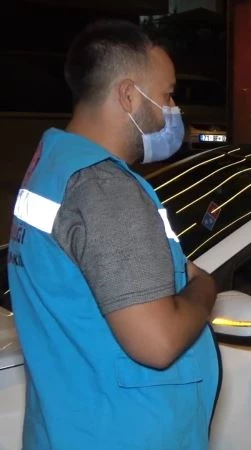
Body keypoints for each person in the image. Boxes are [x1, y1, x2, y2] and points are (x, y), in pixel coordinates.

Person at [7, 20, 220, 449]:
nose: (173, 108)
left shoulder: (53, 164)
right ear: (128, 96)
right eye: (167, 95)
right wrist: (204, 288)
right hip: (123, 433)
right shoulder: (104, 188)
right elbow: (157, 343)